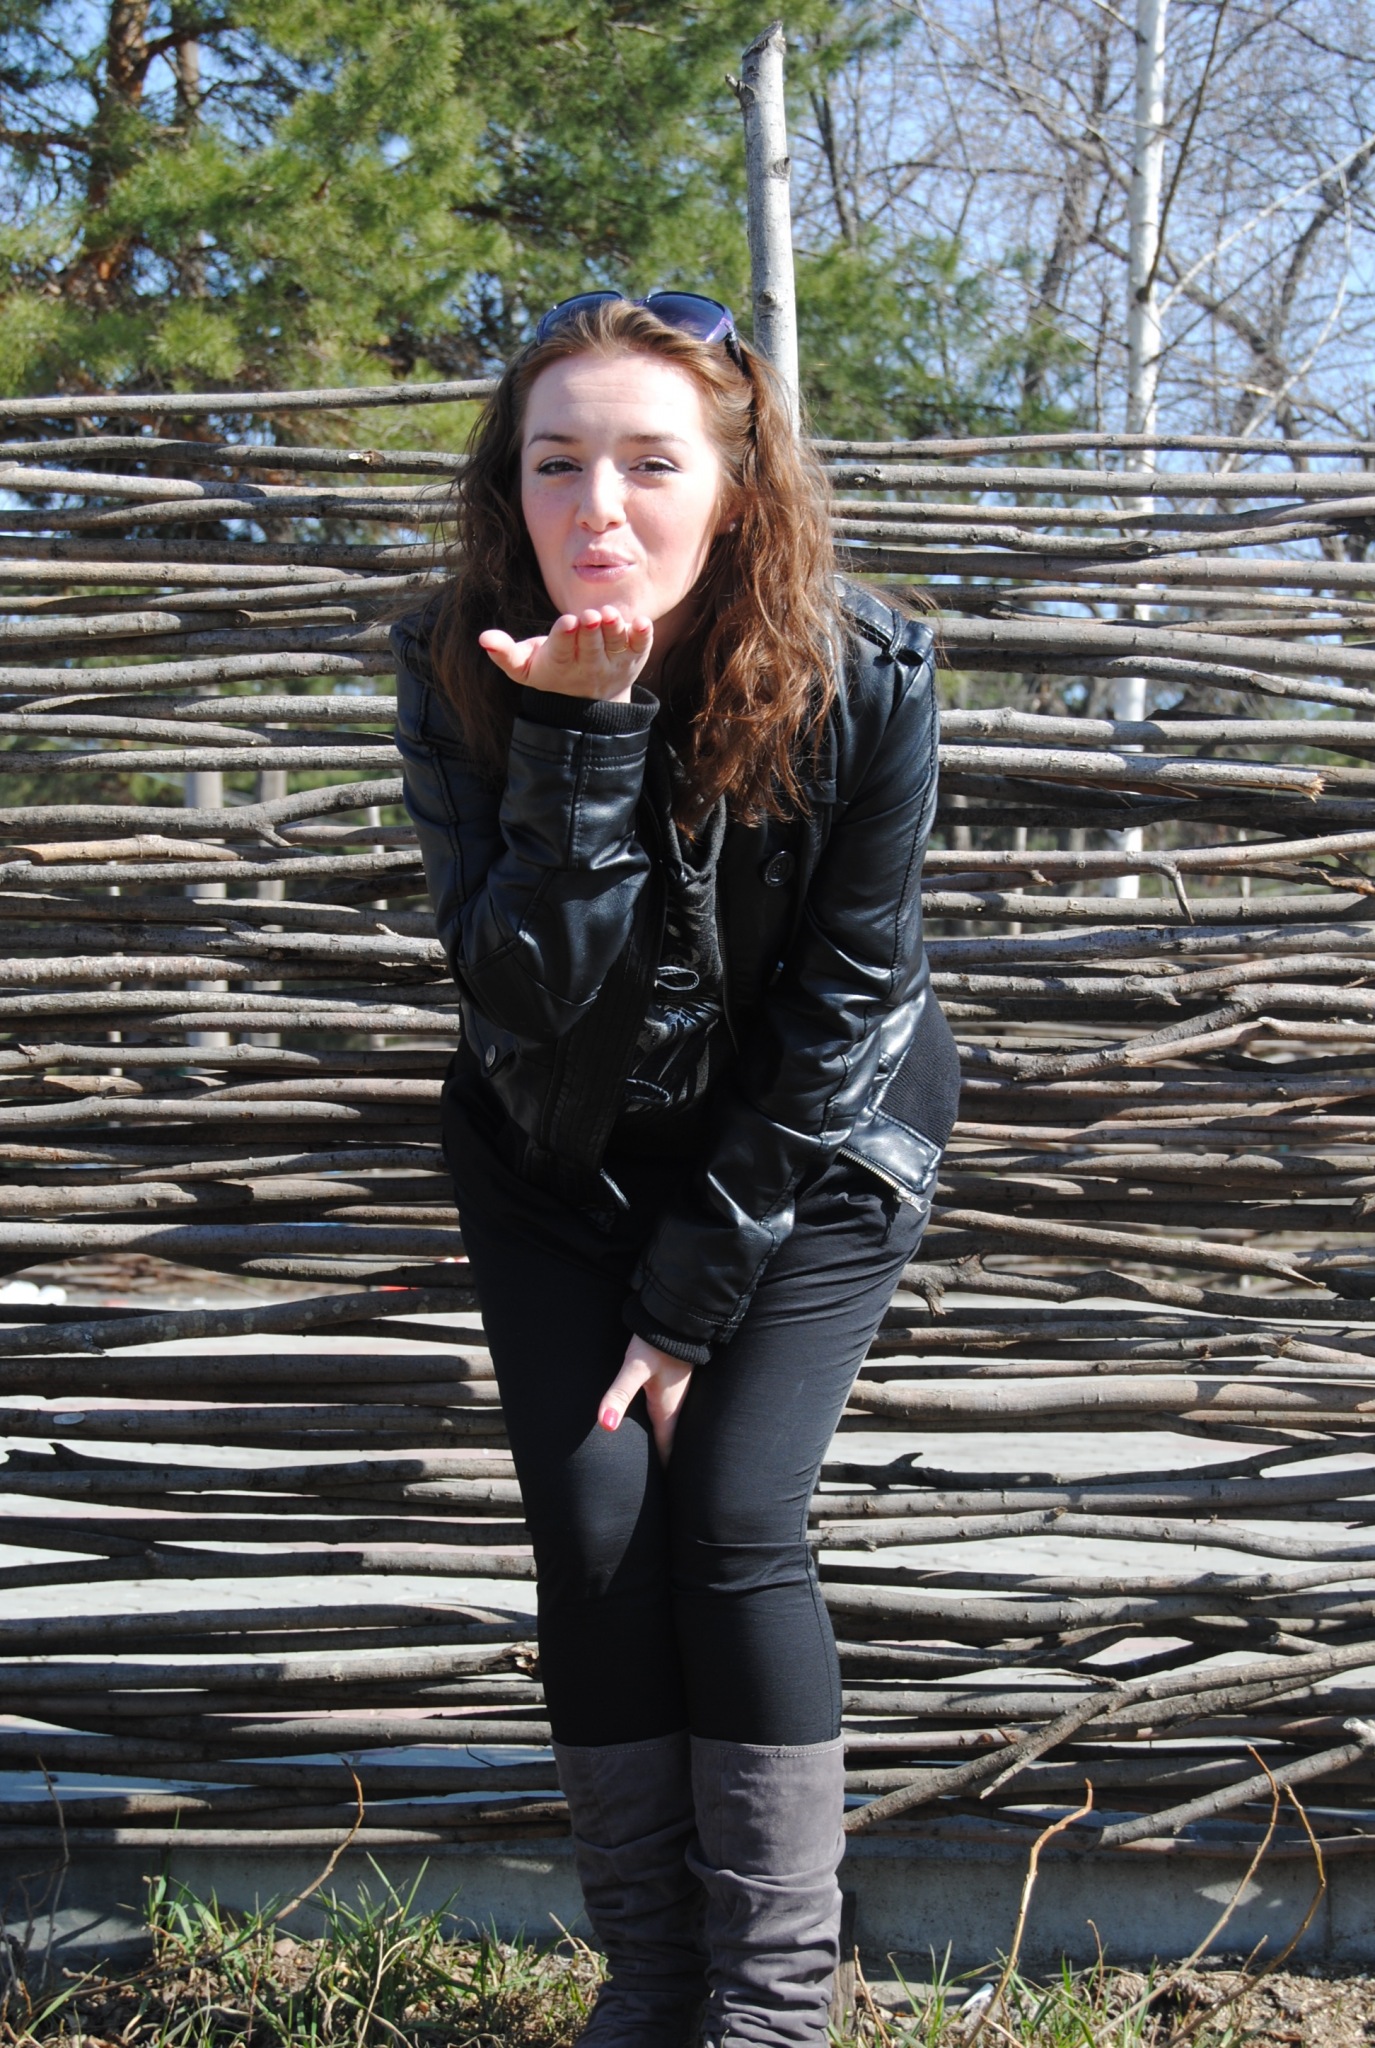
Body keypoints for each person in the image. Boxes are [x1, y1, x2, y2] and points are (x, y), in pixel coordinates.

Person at [391, 291, 959, 2048]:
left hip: (813, 1140)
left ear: (736, 487)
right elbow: (520, 994)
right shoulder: (456, 661)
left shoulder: (866, 674)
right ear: (509, 486)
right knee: (595, 1525)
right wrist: (579, 735)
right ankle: (650, 1990)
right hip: (555, 1153)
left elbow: (846, 1002)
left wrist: (693, 1297)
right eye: (555, 462)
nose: (599, 507)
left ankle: (772, 2014)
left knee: (728, 1512)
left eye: (650, 462)